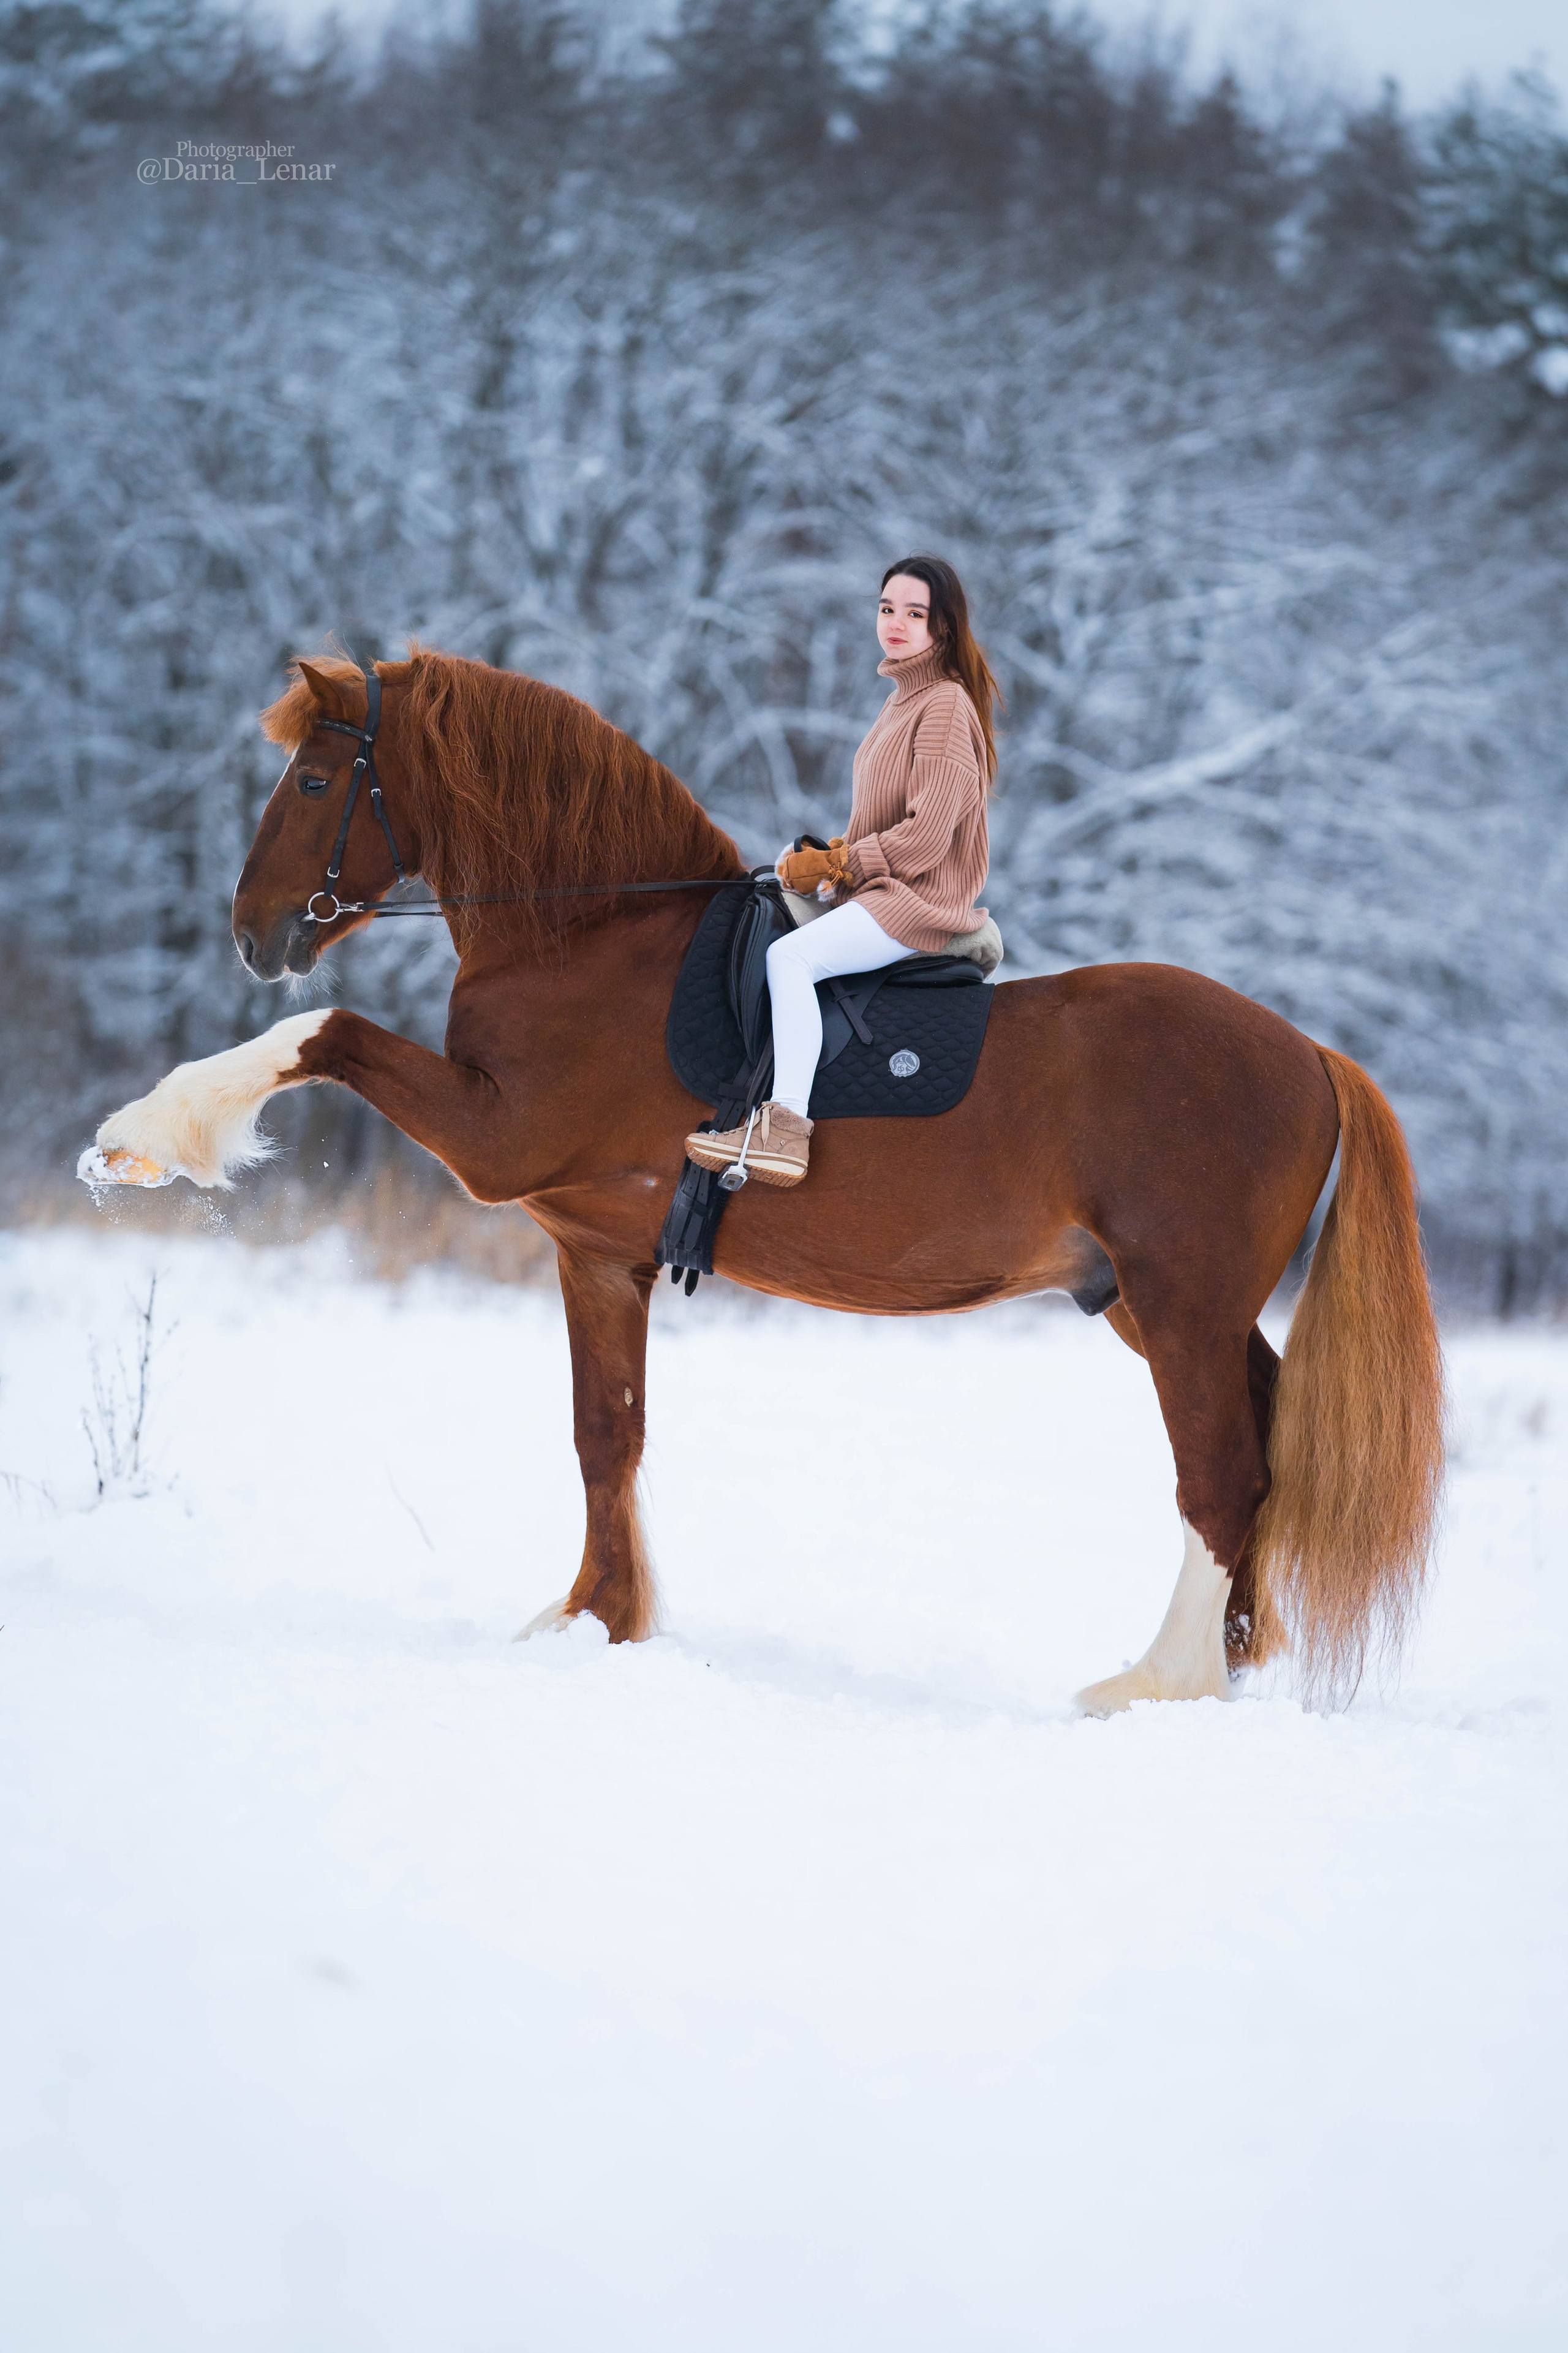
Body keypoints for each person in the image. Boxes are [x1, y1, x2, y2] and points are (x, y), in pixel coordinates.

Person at [685, 554, 999, 1188]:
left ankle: (785, 1129)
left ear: (943, 626)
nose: (896, 623)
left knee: (790, 960)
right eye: (887, 609)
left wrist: (842, 862)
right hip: (883, 888)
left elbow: (929, 838)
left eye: (915, 613)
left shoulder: (942, 706)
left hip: (918, 903)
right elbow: (887, 825)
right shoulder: (901, 703)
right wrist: (826, 864)